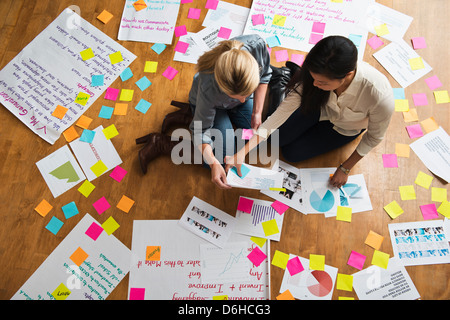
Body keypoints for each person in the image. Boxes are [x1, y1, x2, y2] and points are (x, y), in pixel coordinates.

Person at [224, 35, 395, 190]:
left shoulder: (379, 95)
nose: (314, 84)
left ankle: (284, 77)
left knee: (292, 154)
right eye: (312, 78)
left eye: (322, 82)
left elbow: (374, 137)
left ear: (347, 75)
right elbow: (280, 115)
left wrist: (345, 168)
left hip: (344, 128)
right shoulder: (315, 82)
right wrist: (241, 153)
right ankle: (282, 78)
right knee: (275, 139)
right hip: (317, 107)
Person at [136, 34, 272, 189]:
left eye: (248, 93)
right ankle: (161, 143)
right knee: (222, 162)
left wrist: (257, 112)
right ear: (222, 88)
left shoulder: (257, 45)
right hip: (213, 105)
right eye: (238, 96)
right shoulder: (209, 87)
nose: (243, 100)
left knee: (259, 139)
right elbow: (201, 132)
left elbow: (265, 77)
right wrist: (213, 163)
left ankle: (191, 115)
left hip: (210, 106)